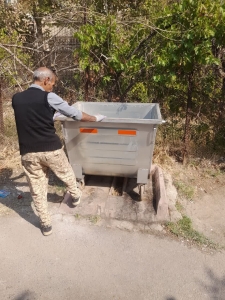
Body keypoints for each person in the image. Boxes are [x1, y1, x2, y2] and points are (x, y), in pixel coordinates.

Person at [12, 67, 106, 236]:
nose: (52, 87)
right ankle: (76, 195)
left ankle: (46, 225)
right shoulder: (48, 97)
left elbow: (31, 115)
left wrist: (50, 115)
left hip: (28, 153)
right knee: (66, 173)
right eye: (52, 84)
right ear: (46, 80)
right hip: (51, 149)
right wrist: (95, 118)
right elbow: (75, 114)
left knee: (37, 187)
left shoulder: (16, 99)